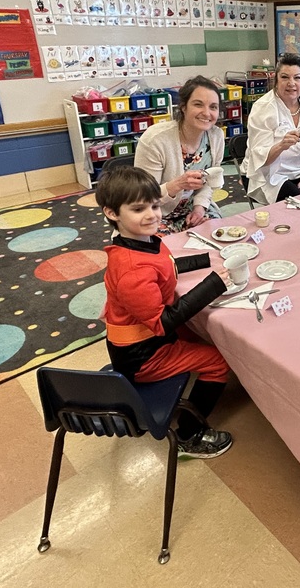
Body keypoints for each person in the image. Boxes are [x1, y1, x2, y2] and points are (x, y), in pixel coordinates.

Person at [95, 165, 234, 459]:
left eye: (155, 205)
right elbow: (162, 323)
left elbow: (167, 266)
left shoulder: (142, 241)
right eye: (138, 209)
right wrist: (215, 283)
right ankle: (189, 435)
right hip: (142, 356)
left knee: (204, 331)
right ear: (112, 213)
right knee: (219, 361)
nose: (152, 215)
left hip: (146, 338)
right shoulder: (132, 269)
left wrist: (210, 257)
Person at [134, 76, 225, 234]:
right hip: (155, 212)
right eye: (198, 104)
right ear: (183, 107)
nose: (206, 113)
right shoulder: (155, 140)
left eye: (213, 107)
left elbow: (209, 183)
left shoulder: (216, 136)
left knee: (217, 235)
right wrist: (176, 185)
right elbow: (142, 198)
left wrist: (199, 209)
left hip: (193, 207)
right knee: (164, 252)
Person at [245, 53, 300, 203]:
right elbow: (260, 159)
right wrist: (281, 146)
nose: (291, 83)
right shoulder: (263, 108)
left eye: (297, 78)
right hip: (272, 175)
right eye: (285, 77)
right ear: (276, 81)